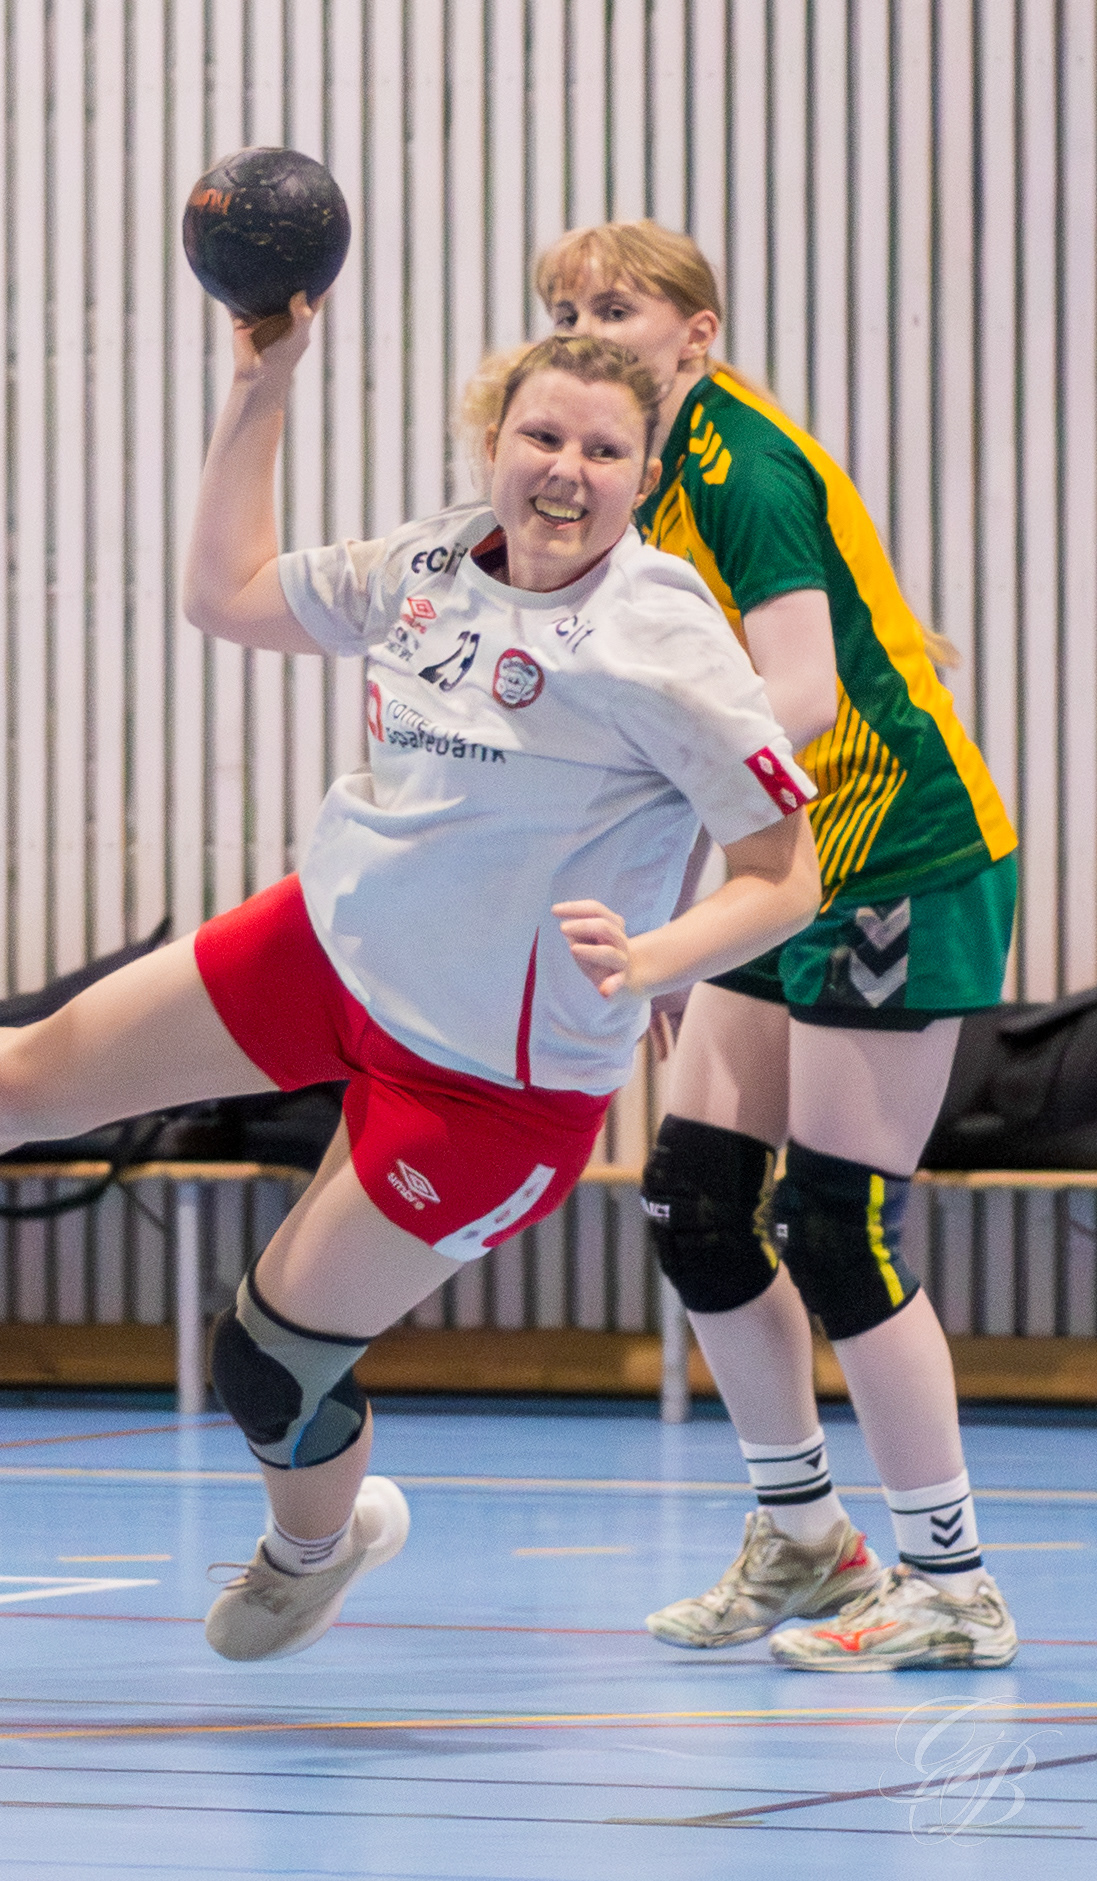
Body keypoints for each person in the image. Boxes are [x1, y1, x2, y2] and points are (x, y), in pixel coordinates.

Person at [0, 306, 820, 1665]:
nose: (567, 471)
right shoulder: (429, 561)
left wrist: (654, 957)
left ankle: (315, 1548)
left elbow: (782, 875)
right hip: (330, 950)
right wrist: (260, 383)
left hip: (496, 1081)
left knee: (269, 1360)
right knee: (29, 1074)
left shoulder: (663, 638)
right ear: (494, 442)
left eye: (605, 451)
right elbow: (226, 593)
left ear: (644, 476)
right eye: (542, 436)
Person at [529, 219, 1020, 1670]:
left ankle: (951, 1585)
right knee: (691, 1199)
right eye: (561, 308)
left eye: (616, 307)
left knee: (835, 1221)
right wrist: (691, 914)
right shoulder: (634, 472)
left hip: (895, 850)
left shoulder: (740, 468)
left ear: (698, 333)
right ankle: (804, 1538)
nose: (584, 328)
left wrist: (686, 899)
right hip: (783, 855)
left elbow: (793, 698)